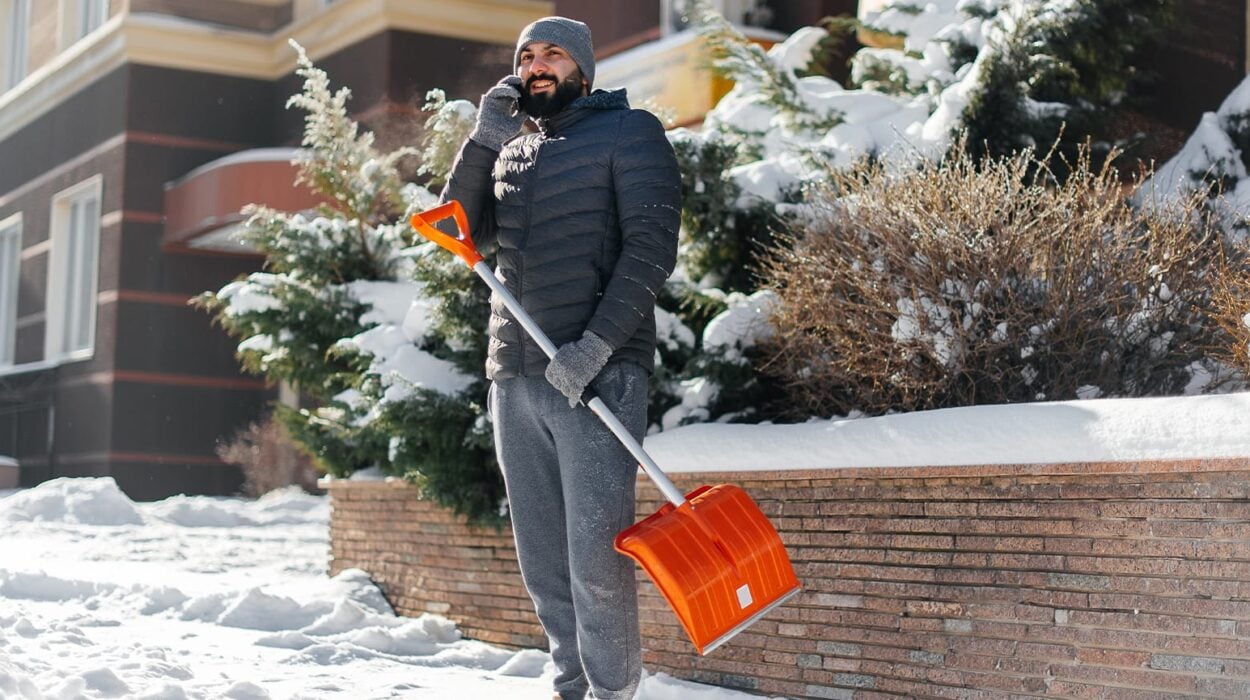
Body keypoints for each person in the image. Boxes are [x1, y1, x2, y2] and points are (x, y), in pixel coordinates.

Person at [439, 15, 681, 700]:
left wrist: (596, 348)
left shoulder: (631, 134)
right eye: (526, 56)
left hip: (597, 373)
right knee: (543, 561)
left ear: (582, 67)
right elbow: (458, 231)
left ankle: (612, 693)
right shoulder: (513, 147)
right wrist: (485, 136)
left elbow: (650, 250)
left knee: (595, 563)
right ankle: (570, 687)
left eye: (552, 54)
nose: (537, 66)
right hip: (515, 373)